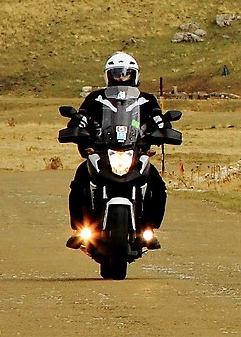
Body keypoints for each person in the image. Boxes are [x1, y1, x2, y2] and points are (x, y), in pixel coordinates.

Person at [65, 51, 168, 245]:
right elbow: (82, 117)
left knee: (157, 185)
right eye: (117, 73)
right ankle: (80, 229)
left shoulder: (147, 100)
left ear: (135, 75)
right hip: (102, 152)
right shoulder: (95, 98)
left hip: (135, 152)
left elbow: (157, 119)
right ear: (108, 75)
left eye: (126, 73)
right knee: (80, 180)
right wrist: (76, 127)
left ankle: (149, 228)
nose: (121, 77)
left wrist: (164, 129)